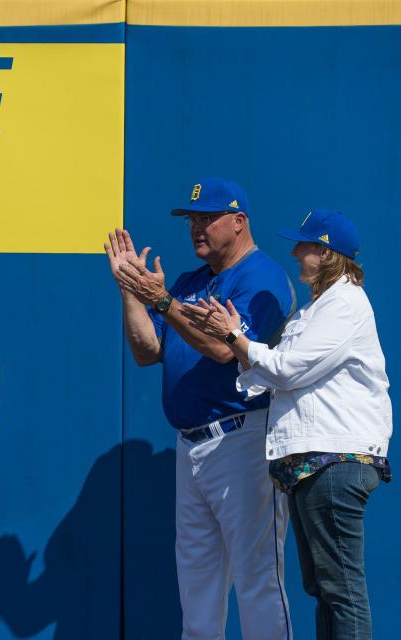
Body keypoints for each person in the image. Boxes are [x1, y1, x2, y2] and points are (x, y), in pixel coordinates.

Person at [181, 209, 392, 640]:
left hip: (334, 460)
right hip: (310, 462)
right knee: (324, 586)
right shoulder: (315, 309)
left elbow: (288, 370)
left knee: (340, 587)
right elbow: (268, 373)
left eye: (306, 245)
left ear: (327, 253)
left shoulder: (345, 303)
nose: (296, 252)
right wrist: (238, 340)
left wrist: (232, 338)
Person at [108, 177, 296, 640]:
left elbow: (222, 349)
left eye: (207, 218)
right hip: (191, 446)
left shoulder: (262, 278)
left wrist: (162, 300)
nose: (197, 227)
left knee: (258, 580)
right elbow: (147, 350)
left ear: (239, 222)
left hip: (243, 437)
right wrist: (132, 291)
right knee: (197, 585)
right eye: (192, 219)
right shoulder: (193, 281)